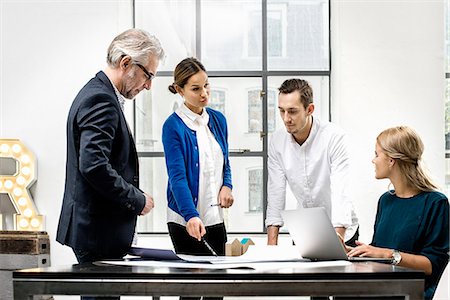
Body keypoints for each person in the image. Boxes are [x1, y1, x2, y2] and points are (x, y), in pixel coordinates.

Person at [56, 29, 164, 300]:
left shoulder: (99, 93)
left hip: (94, 230)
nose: (148, 85)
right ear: (126, 63)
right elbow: (93, 165)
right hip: (97, 233)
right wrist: (136, 199)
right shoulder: (101, 99)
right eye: (148, 75)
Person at [347, 126, 449, 300]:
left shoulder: (436, 203)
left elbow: (432, 265)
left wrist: (388, 254)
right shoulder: (386, 200)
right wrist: (356, 252)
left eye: (377, 154)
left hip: (411, 292)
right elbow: (378, 251)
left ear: (392, 160)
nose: (373, 160)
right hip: (382, 286)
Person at [162, 58, 233, 299]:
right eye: (195, 88)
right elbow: (177, 177)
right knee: (190, 290)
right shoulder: (173, 126)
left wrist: (227, 185)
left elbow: (225, 161)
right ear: (180, 90)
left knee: (217, 290)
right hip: (184, 220)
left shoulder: (218, 120)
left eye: (206, 86)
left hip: (214, 217)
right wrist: (190, 215)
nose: (204, 93)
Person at [265, 78, 359, 246]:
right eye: (282, 111)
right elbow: (275, 192)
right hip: (305, 232)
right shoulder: (277, 141)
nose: (286, 119)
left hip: (341, 229)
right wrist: (271, 247)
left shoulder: (334, 137)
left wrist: (338, 241)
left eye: (292, 111)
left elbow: (341, 191)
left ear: (310, 109)